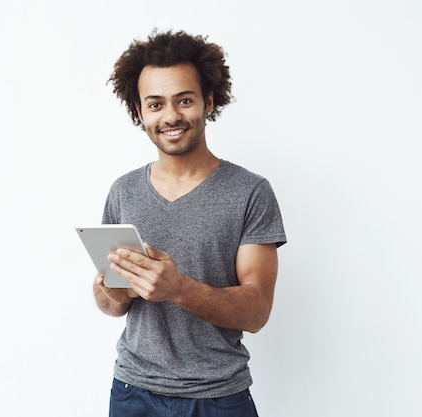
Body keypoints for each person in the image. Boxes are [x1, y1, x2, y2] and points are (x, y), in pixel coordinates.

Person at [93, 29, 287, 417]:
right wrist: (116, 290)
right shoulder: (123, 191)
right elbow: (108, 303)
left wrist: (178, 287)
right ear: (139, 111)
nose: (171, 117)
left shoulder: (250, 192)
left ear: (209, 101)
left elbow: (257, 311)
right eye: (155, 104)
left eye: (184, 100)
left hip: (219, 398)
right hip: (133, 393)